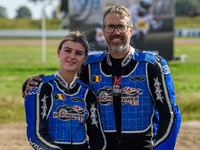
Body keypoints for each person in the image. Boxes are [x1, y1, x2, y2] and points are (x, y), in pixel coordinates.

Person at [23, 5, 181, 150]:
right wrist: (31, 85)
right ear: (103, 31)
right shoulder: (90, 65)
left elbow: (170, 114)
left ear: (131, 30)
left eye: (121, 27)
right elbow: (64, 85)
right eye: (110, 27)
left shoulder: (152, 65)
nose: (116, 32)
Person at [24, 31, 106, 150]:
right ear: (58, 52)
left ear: (85, 58)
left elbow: (98, 137)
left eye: (78, 53)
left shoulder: (88, 93)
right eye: (68, 50)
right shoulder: (41, 88)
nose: (72, 56)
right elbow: (36, 135)